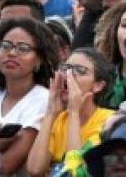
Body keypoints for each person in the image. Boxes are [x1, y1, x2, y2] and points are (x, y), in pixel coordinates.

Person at [0, 17, 57, 175]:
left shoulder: (43, 100)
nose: (12, 53)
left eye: (23, 48)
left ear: (39, 59)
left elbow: (5, 166)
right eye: (6, 46)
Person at [26, 47, 115, 176]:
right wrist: (50, 112)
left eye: (80, 71)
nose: (68, 75)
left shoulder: (108, 122)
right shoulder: (58, 118)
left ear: (98, 86)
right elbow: (35, 169)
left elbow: (75, 172)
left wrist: (74, 113)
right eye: (66, 68)